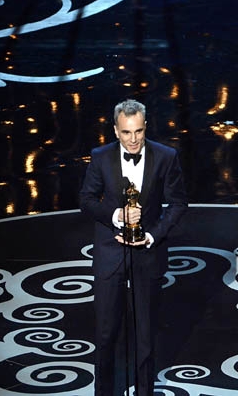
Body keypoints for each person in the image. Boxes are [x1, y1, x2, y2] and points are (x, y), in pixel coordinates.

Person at [79, 99, 189, 395]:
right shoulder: (100, 157)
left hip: (147, 256)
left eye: (138, 131)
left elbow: (178, 203)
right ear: (116, 130)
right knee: (104, 336)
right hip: (110, 256)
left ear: (145, 128)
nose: (133, 139)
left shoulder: (165, 156)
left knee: (144, 339)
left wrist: (152, 235)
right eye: (126, 132)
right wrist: (116, 216)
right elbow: (86, 201)